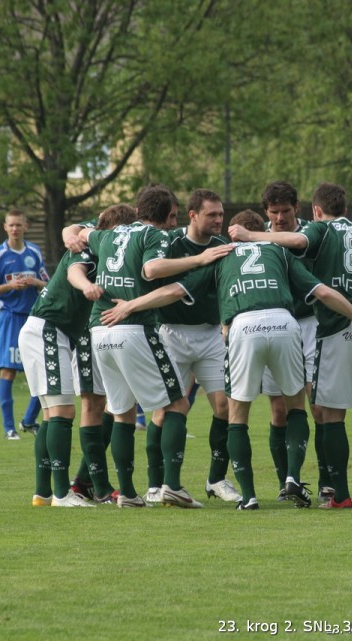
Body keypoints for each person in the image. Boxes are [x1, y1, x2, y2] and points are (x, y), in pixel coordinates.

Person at [103, 210, 352, 510]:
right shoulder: (278, 250)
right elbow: (324, 291)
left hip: (243, 325)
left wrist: (131, 304)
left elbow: (174, 291)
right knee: (295, 406)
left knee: (238, 413)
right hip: (284, 322)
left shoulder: (221, 254)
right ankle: (291, 477)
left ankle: (248, 496)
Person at [230, 182, 352, 509]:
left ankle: (338, 494)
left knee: (331, 413)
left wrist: (251, 235)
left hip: (336, 325)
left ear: (314, 210)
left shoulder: (321, 231)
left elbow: (298, 241)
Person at [78, 185, 233, 508]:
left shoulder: (110, 235)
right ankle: (171, 485)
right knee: (176, 405)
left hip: (100, 329)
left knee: (121, 413)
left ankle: (129, 495)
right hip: (135, 328)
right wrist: (200, 259)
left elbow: (79, 233)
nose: (173, 223)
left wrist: (72, 235)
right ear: (167, 215)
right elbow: (151, 269)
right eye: (173, 216)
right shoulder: (156, 237)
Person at [20, 204, 129, 507]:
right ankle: (61, 494)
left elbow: (73, 230)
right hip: (49, 329)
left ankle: (43, 493)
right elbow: (74, 272)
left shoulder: (99, 247)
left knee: (51, 412)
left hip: (49, 331)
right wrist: (88, 287)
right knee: (63, 413)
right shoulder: (92, 252)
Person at [144, 189, 241, 505]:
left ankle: (217, 479)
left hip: (211, 336)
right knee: (164, 411)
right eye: (212, 214)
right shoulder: (170, 243)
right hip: (172, 335)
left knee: (225, 407)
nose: (218, 219)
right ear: (193, 215)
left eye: (220, 214)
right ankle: (157, 485)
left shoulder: (222, 248)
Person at [258, 181, 328, 502]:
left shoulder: (311, 234)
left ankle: (327, 478)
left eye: (285, 211)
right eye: (274, 212)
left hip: (309, 323)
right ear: (266, 212)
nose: (280, 218)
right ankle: (287, 483)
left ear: (296, 209)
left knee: (318, 403)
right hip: (273, 323)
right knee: (278, 408)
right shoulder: (257, 236)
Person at [0, 209, 49, 440]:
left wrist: (35, 282)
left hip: (33, 318)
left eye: (19, 224)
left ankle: (29, 420)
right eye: (11, 225)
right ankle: (9, 428)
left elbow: (46, 284)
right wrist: (10, 286)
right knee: (8, 372)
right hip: (9, 317)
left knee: (43, 372)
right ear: (5, 227)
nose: (15, 228)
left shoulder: (34, 252)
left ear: (26, 226)